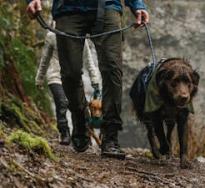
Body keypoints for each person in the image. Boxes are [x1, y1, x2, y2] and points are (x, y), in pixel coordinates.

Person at [27, 0, 149, 159]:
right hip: (67, 8)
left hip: (108, 6)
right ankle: (80, 120)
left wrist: (137, 5)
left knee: (113, 69)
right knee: (70, 73)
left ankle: (111, 136)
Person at [36, 30, 100, 145]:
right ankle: (64, 132)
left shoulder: (81, 36)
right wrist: (39, 78)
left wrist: (94, 78)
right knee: (62, 102)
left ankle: (81, 134)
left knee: (78, 106)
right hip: (55, 76)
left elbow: (88, 60)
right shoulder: (51, 36)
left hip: (73, 78)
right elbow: (45, 58)